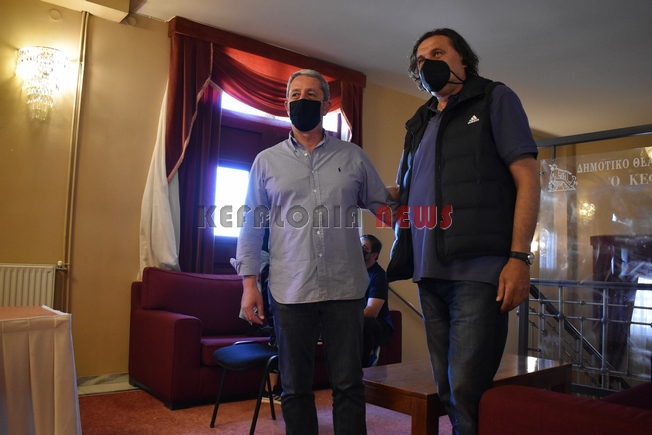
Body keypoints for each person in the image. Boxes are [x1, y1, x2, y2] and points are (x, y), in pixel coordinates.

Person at [389, 28, 540, 435]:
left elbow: (527, 178)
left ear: (464, 60)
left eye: (437, 53)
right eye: (420, 60)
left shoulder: (494, 98)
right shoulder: (419, 121)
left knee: (467, 391)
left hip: (479, 271)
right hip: (427, 272)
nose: (427, 64)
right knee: (448, 391)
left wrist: (519, 258)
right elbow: (408, 189)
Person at [235, 69, 395, 435]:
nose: (302, 100)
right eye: (295, 94)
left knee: (349, 385)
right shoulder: (266, 162)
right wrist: (248, 284)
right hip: (290, 290)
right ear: (286, 103)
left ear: (325, 105)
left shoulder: (353, 157)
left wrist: (411, 191)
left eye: (311, 94)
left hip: (346, 288)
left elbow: (383, 208)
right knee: (294, 388)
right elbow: (251, 225)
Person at [360, 234, 394, 368]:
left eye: (363, 248)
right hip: (355, 319)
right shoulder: (351, 272)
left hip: (379, 325)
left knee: (365, 322)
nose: (358, 250)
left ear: (373, 255)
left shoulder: (378, 276)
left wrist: (347, 315)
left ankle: (364, 367)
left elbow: (372, 312)